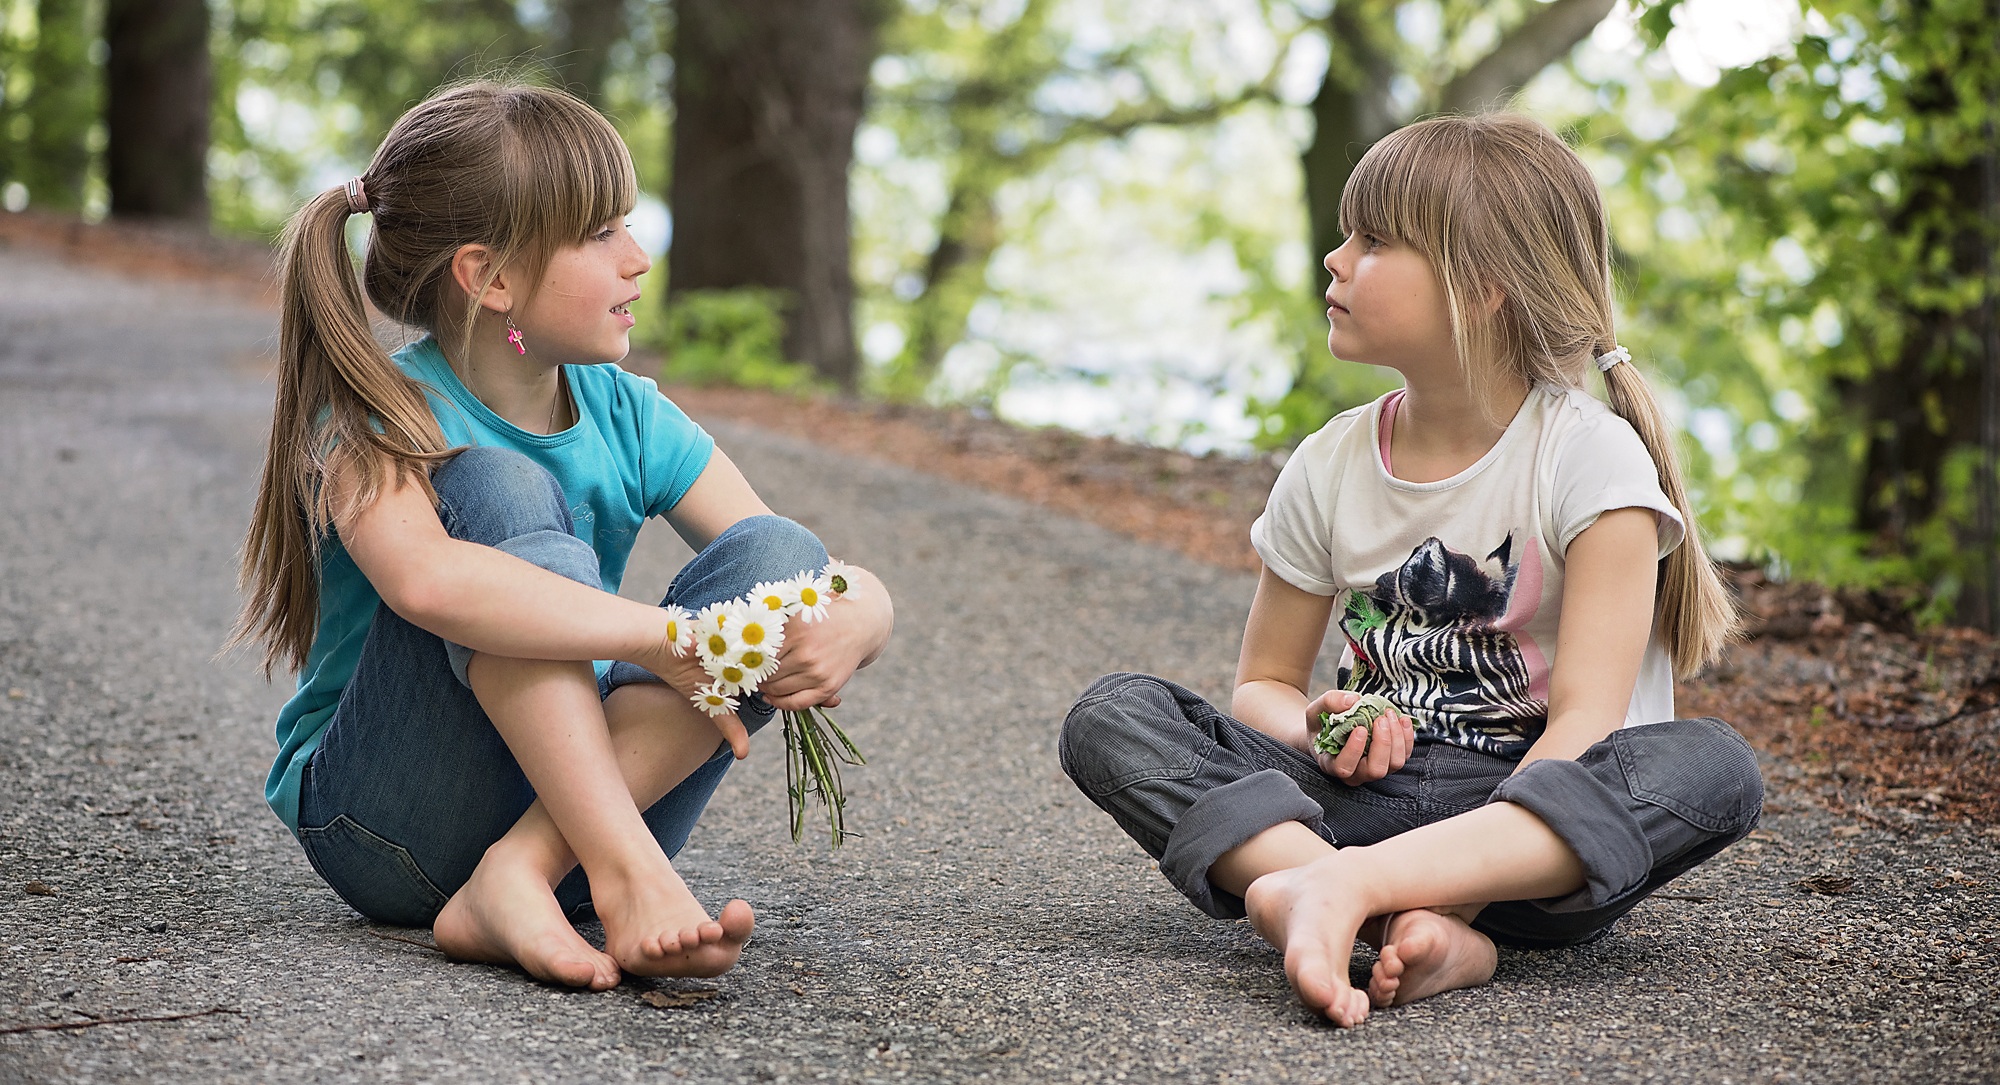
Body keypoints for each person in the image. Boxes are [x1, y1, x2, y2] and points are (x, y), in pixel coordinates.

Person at [1059, 113, 1761, 1027]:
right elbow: (1264, 683)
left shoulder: (1591, 461)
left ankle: (1322, 893)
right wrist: (1320, 727)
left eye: (1375, 240)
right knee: (1115, 715)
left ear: (1483, 288)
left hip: (1527, 847)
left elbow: (1584, 727)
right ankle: (1349, 898)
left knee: (1713, 766)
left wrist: (1451, 893)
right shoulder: (1332, 459)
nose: (1336, 259)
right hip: (1350, 803)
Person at [230, 81, 894, 991]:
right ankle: (621, 869)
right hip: (392, 824)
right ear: (490, 277)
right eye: (599, 234)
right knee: (499, 485)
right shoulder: (376, 415)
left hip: (576, 819)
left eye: (628, 224)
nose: (639, 260)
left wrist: (865, 612)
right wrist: (665, 638)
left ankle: (525, 872)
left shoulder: (628, 414)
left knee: (779, 557)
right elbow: (427, 584)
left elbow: (792, 564)